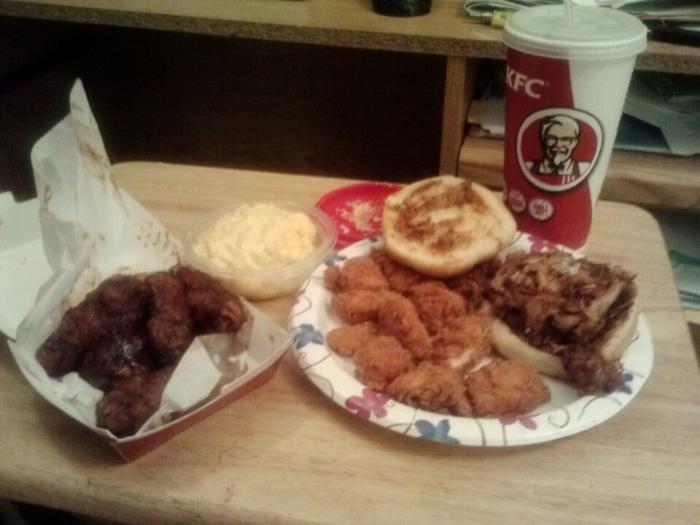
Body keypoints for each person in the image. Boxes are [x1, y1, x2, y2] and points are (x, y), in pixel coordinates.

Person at [526, 115, 590, 185]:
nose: (558, 145)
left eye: (566, 139)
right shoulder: (528, 167)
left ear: (575, 142)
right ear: (543, 140)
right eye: (551, 138)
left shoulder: (584, 169)